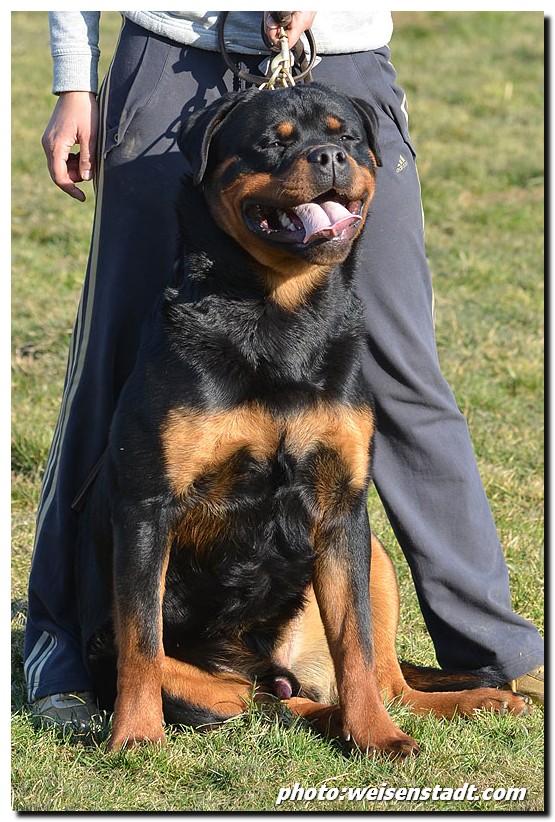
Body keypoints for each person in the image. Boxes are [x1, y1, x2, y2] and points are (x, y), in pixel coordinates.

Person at [26, 11, 543, 729]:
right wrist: (74, 79)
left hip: (338, 45)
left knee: (404, 373)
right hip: (169, 50)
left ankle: (493, 643)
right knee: (112, 371)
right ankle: (67, 648)